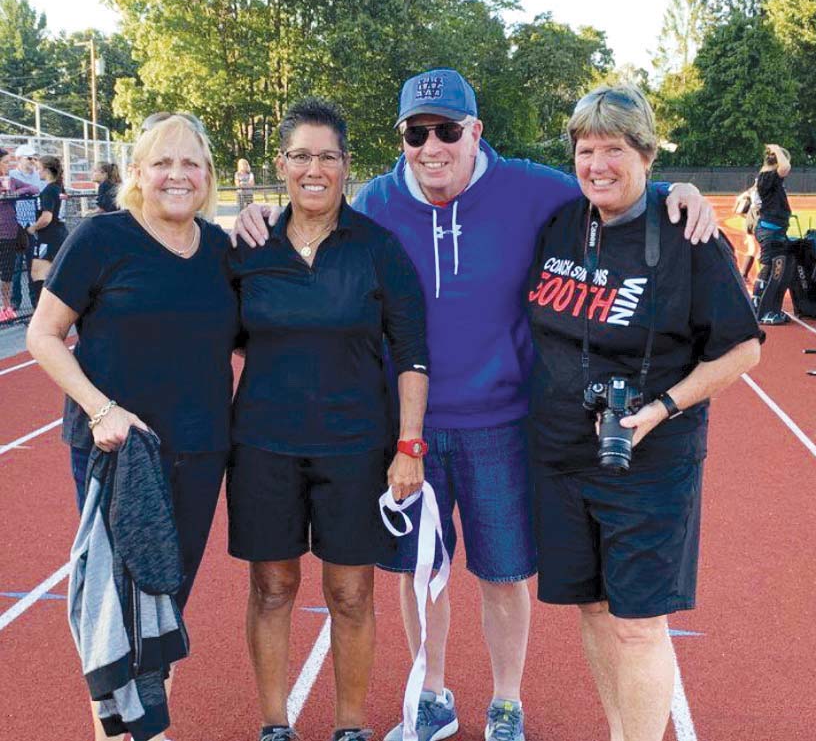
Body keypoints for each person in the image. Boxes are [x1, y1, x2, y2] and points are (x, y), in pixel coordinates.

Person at [233, 68, 718, 741]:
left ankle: (506, 702)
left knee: (502, 574)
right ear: (401, 137)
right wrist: (257, 210)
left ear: (476, 132)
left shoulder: (528, 188)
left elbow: (608, 182)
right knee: (417, 571)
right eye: (416, 133)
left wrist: (677, 190)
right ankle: (431, 693)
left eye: (448, 130)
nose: (433, 147)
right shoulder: (373, 204)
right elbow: (305, 216)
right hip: (406, 427)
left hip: (502, 423)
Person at [526, 84, 761, 741]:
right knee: (596, 610)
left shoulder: (687, 234)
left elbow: (744, 350)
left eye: (614, 150)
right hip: (563, 452)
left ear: (648, 154)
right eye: (586, 150)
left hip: (651, 460)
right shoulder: (560, 220)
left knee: (637, 623)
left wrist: (662, 406)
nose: (597, 165)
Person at [26, 113, 240, 741]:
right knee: (116, 608)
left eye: (191, 163)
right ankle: (116, 733)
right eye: (162, 162)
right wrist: (101, 408)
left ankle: (152, 728)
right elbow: (42, 335)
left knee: (167, 602)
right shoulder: (101, 239)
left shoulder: (221, 250)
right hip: (117, 454)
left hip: (201, 450)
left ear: (207, 176)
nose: (177, 174)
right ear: (139, 172)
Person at [227, 97, 429, 741]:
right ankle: (274, 724)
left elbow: (413, 356)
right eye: (301, 156)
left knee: (350, 594)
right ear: (281, 165)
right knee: (273, 587)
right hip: (263, 445)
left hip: (356, 449)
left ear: (347, 166)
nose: (314, 169)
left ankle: (349, 727)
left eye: (328, 156)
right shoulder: (247, 248)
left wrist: (409, 445)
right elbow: (219, 333)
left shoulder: (379, 250)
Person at [751, 144, 793, 325]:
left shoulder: (767, 177)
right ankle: (762, 311)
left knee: (773, 269)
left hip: (773, 229)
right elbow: (785, 167)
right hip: (771, 230)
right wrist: (777, 149)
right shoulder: (768, 177)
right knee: (772, 270)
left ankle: (765, 308)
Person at [0, 148, 39, 322]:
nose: (9, 165)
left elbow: (34, 187)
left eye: (9, 161)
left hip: (9, 231)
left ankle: (6, 307)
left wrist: (17, 193)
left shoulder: (10, 180)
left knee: (8, 270)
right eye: (6, 161)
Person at [24, 155, 68, 306]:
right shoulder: (59, 187)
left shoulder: (50, 190)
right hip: (60, 235)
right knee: (52, 275)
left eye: (39, 169)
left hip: (49, 238)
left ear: (47, 170)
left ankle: (41, 311)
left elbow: (47, 217)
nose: (37, 172)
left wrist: (33, 227)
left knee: (37, 275)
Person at [9, 143, 44, 313]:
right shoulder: (12, 174)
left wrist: (25, 189)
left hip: (32, 224)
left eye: (33, 158)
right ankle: (15, 301)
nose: (32, 161)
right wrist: (27, 189)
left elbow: (38, 189)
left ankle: (35, 300)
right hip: (16, 224)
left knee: (33, 265)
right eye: (28, 158)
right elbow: (12, 192)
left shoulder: (37, 175)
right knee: (16, 266)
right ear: (19, 159)